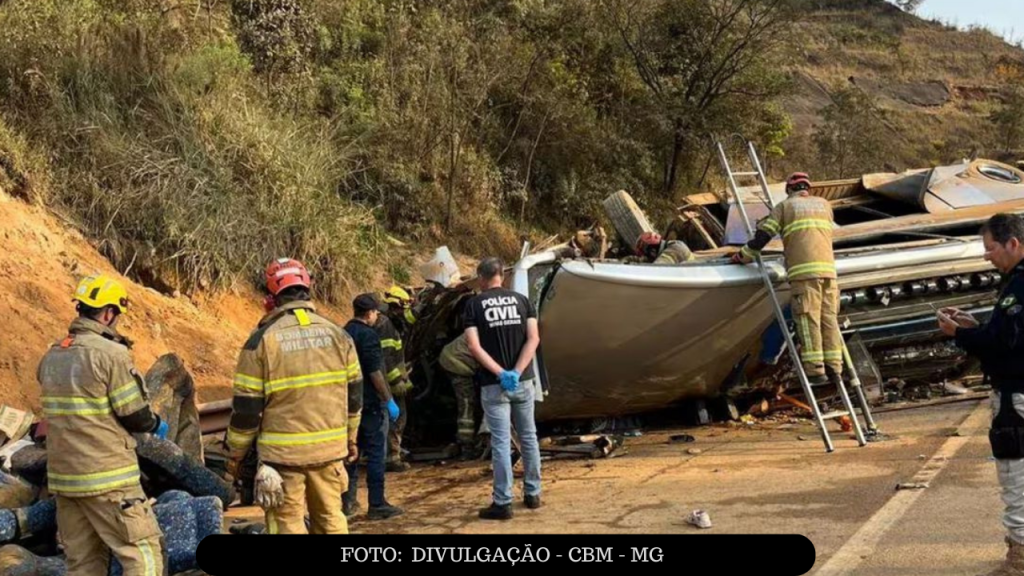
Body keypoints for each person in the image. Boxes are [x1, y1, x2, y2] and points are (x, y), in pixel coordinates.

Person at [37, 274, 167, 576]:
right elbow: (135, 414)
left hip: (66, 480)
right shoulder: (111, 354)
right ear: (108, 312)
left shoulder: (53, 354)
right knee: (142, 552)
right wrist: (155, 423)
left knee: (83, 564)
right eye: (116, 314)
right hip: (109, 478)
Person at [224, 258, 362, 534]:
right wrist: (350, 439)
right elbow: (354, 397)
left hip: (282, 459)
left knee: (287, 526)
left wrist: (235, 455)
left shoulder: (261, 341)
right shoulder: (339, 335)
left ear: (270, 298)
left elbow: (247, 410)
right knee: (332, 521)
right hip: (330, 453)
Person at [938, 214, 1024, 576]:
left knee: (1015, 477)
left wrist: (958, 333)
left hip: (1016, 397)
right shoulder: (1014, 283)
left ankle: (1019, 558)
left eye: (990, 249)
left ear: (1013, 244)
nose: (987, 256)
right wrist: (979, 326)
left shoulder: (1020, 287)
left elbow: (1005, 346)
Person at [731, 172, 841, 387]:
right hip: (829, 272)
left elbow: (762, 238)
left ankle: (815, 370)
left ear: (789, 190)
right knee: (829, 319)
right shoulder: (825, 205)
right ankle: (835, 368)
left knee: (809, 320)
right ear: (807, 188)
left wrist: (742, 256)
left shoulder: (785, 207)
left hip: (804, 274)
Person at [464, 257, 542, 520]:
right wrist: (517, 372)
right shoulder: (522, 301)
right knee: (529, 437)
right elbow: (534, 339)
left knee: (500, 442)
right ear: (502, 277)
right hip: (524, 380)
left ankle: (503, 502)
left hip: (493, 385)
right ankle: (533, 494)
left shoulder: (474, 305)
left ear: (482, 278)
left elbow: (474, 347)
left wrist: (500, 374)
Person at [343, 293, 404, 520]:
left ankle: (348, 503)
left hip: (349, 405)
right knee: (377, 454)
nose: (377, 314)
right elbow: (375, 372)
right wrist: (388, 399)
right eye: (376, 311)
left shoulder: (343, 333)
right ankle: (377, 503)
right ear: (369, 313)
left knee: (351, 453)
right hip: (371, 405)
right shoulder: (369, 335)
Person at [378, 287, 414, 473]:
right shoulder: (385, 326)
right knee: (396, 419)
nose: (405, 312)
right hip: (388, 384)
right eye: (404, 307)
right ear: (395, 306)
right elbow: (385, 358)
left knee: (392, 418)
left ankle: (392, 452)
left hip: (387, 381)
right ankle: (392, 457)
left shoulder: (389, 322)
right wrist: (397, 380)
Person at [439, 333, 481, 458]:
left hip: (451, 357)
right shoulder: (491, 333)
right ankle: (466, 447)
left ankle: (465, 443)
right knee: (467, 403)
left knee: (468, 402)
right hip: (456, 362)